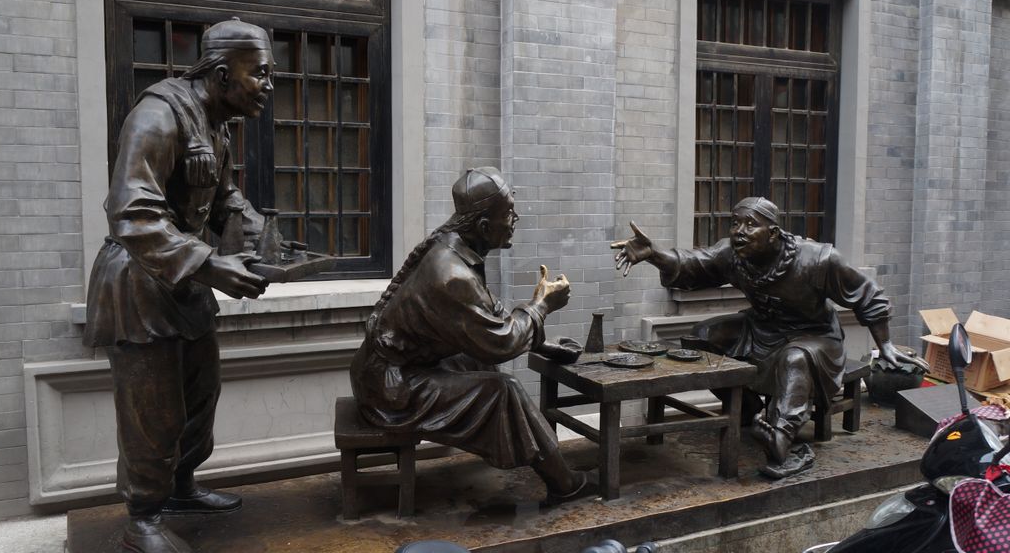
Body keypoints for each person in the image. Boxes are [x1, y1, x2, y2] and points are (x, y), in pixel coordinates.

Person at [83, 19, 273, 553]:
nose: (268, 85)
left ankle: (182, 487)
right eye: (259, 73)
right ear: (220, 73)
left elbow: (228, 203)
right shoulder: (156, 117)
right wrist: (212, 265)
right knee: (152, 410)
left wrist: (277, 249)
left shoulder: (217, 124)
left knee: (198, 396)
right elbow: (132, 213)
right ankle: (143, 516)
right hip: (138, 285)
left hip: (185, 284)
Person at [611, 197, 923, 477]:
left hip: (815, 337)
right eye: (735, 223)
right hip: (759, 329)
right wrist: (653, 255)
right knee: (702, 336)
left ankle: (780, 441)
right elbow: (693, 264)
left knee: (794, 358)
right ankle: (746, 409)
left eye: (751, 224)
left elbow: (869, 296)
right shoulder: (733, 254)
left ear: (773, 233)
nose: (739, 231)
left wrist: (886, 346)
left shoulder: (819, 259)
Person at [350, 167, 592, 503]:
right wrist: (541, 307)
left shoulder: (455, 250)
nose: (514, 220)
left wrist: (544, 344)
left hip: (394, 370)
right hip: (391, 388)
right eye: (508, 214)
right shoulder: (451, 275)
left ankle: (544, 463)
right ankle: (564, 483)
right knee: (502, 389)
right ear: (482, 226)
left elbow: (484, 325)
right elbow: (499, 341)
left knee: (480, 364)